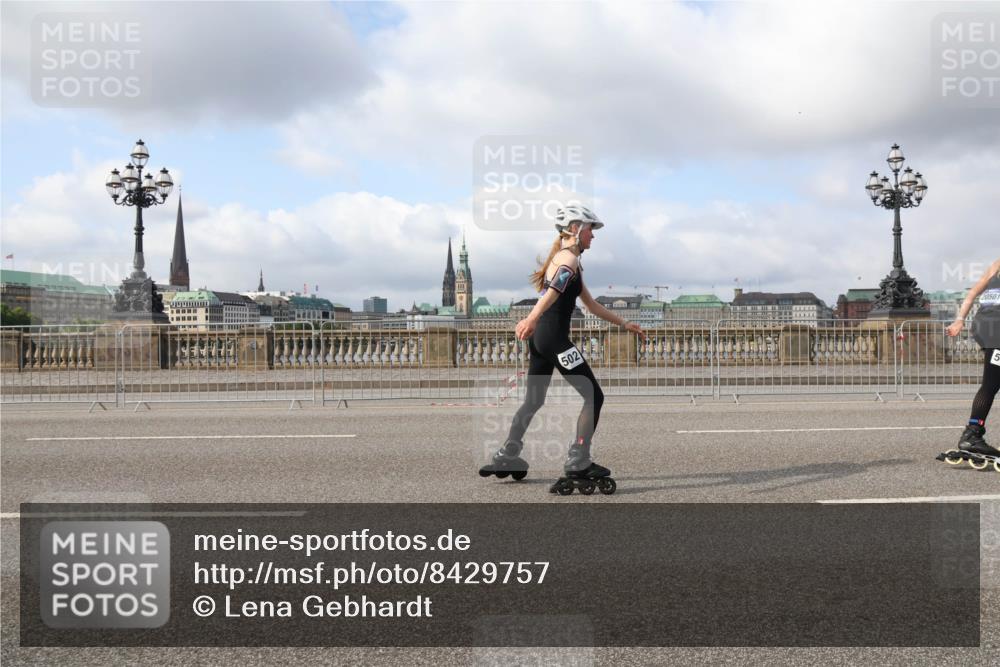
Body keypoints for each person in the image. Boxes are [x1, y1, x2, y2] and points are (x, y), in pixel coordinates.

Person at [478, 205, 647, 491]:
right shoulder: (568, 260)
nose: (593, 236)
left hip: (542, 340)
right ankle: (578, 459)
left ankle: (508, 454)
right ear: (575, 229)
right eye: (591, 230)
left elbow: (591, 306)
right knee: (594, 395)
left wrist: (624, 324)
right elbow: (554, 292)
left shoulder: (567, 260)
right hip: (554, 339)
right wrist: (530, 318)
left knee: (534, 400)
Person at [944, 257, 1000, 467]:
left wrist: (959, 320)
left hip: (984, 326)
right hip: (997, 330)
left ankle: (973, 432)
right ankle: (972, 435)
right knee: (991, 384)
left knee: (993, 382)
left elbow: (973, 292)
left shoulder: (997, 264)